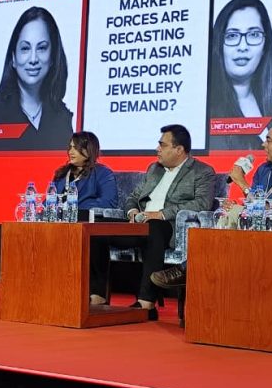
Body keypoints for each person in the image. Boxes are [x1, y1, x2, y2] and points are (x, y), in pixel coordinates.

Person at [151, 121, 272, 290]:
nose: (263, 144)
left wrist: (241, 182)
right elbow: (254, 203)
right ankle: (192, 275)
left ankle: (186, 271)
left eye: (269, 140)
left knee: (228, 243)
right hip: (259, 232)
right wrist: (238, 207)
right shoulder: (264, 169)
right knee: (223, 229)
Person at [88, 124, 215, 318]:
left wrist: (161, 214)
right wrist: (132, 211)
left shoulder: (202, 171)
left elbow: (202, 203)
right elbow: (133, 196)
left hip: (169, 227)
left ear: (179, 149)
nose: (157, 149)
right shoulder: (154, 169)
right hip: (140, 224)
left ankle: (146, 303)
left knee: (154, 227)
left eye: (162, 145)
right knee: (96, 230)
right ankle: (97, 295)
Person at [0, 6, 73, 151]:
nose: (33, 59)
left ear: (53, 56)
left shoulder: (62, 117)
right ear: (14, 58)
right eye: (25, 48)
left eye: (41, 48)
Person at [209, 0, 272, 150]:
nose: (243, 47)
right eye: (232, 36)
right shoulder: (205, 112)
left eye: (254, 34)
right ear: (218, 45)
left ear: (266, 45)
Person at [53, 131, 118, 211]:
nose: (70, 152)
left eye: (76, 148)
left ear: (88, 150)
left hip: (84, 218)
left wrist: (74, 208)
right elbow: (49, 200)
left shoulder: (103, 173)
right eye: (70, 147)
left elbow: (109, 202)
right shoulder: (62, 174)